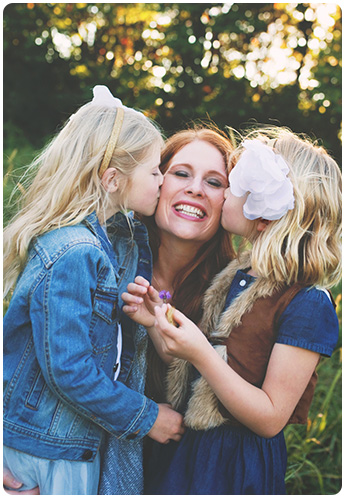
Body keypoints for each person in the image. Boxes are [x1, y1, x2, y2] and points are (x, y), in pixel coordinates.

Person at [129, 127, 342, 494]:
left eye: (234, 185)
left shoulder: (309, 304)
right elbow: (191, 368)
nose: (222, 193)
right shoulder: (233, 277)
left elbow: (271, 417)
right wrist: (155, 324)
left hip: (233, 465)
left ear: (264, 213)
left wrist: (200, 351)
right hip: (186, 453)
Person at [2, 85, 186, 495]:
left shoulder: (114, 241)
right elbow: (68, 368)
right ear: (112, 179)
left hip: (68, 441)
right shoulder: (74, 253)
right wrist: (146, 417)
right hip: (50, 450)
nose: (162, 181)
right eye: (155, 171)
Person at [98, 124, 236, 494]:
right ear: (155, 180)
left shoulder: (235, 293)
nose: (195, 189)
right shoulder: (102, 256)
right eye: (181, 173)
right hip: (81, 456)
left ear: (232, 200)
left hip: (179, 474)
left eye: (214, 182)